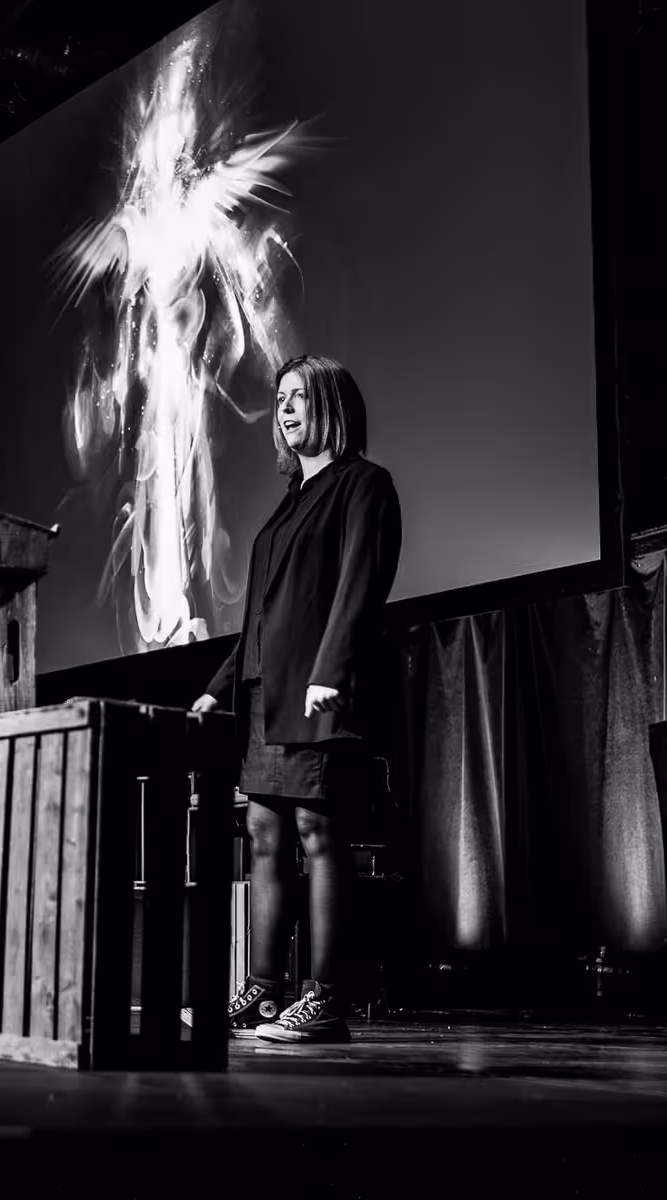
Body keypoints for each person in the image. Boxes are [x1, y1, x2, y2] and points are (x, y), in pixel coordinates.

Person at [183, 354, 401, 1044]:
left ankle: (327, 998)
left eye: (299, 396)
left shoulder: (364, 486)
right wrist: (219, 691)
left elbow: (360, 588)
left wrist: (331, 668)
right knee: (265, 836)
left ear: (332, 403)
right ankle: (262, 990)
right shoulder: (285, 510)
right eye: (280, 399)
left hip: (318, 692)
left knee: (319, 833)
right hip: (263, 696)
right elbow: (257, 621)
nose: (284, 409)